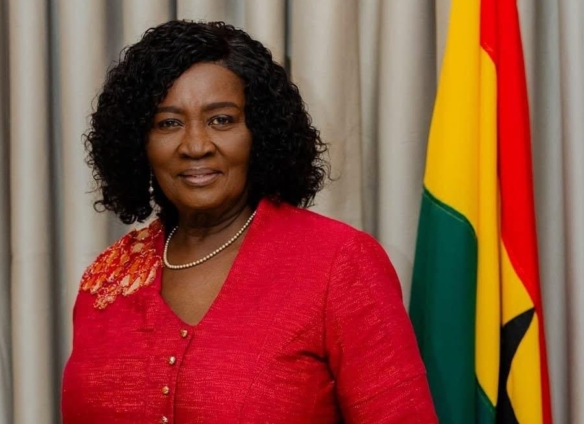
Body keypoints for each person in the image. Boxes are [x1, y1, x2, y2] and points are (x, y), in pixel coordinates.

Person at [61, 20, 437, 423]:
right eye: (168, 123)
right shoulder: (106, 279)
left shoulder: (340, 263)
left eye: (221, 120)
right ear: (139, 142)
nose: (195, 146)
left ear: (260, 131)